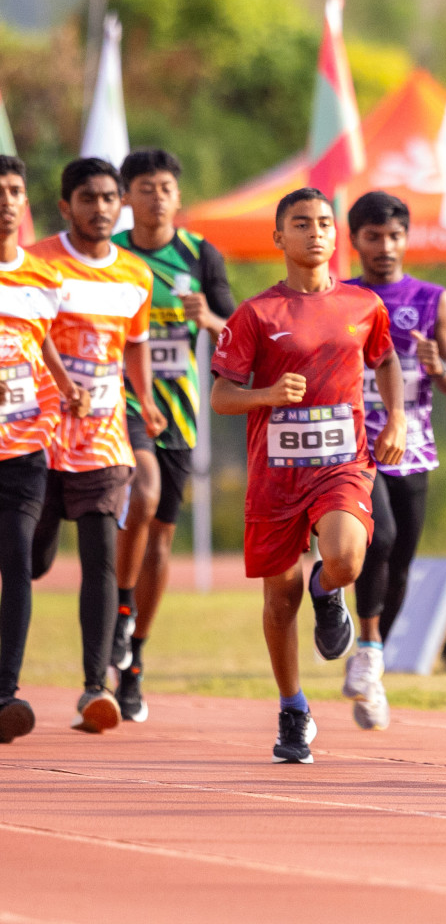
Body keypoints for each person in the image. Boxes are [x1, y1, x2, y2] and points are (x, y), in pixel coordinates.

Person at [210, 188, 406, 764]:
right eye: (301, 224)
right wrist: (267, 394)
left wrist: (394, 418)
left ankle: (329, 592)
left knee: (346, 557)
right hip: (275, 472)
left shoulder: (363, 304)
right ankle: (293, 708)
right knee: (279, 597)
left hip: (342, 462)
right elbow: (221, 394)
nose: (316, 232)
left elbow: (386, 358)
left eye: (324, 223)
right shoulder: (256, 314)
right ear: (280, 238)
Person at [30, 158, 163, 734]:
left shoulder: (136, 275)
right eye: (89, 198)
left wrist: (147, 397)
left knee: (101, 562)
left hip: (105, 437)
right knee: (29, 561)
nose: (102, 208)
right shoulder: (37, 265)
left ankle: (94, 689)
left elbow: (134, 344)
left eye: (111, 198)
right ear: (66, 207)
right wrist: (60, 386)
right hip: (36, 433)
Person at [110, 148, 236, 724]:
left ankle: (133, 656)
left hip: (179, 414)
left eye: (165, 187)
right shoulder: (111, 255)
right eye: (144, 186)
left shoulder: (198, 255)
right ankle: (117, 611)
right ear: (125, 197)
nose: (156, 196)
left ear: (178, 198)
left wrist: (207, 317)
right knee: (144, 489)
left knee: (160, 538)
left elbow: (239, 332)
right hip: (117, 406)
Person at [339, 191, 446, 730]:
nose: (384, 247)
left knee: (402, 560)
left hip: (413, 443)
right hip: (352, 442)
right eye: (373, 237)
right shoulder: (339, 296)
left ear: (407, 239)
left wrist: (440, 368)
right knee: (380, 536)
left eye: (393, 236)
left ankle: (371, 661)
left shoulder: (434, 299)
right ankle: (362, 643)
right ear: (355, 241)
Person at [0, 154, 87, 742]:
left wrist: (66, 385)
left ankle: (6, 693)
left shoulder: (42, 278)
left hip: (25, 445)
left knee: (17, 565)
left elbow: (46, 342)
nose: (7, 200)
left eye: (14, 190)